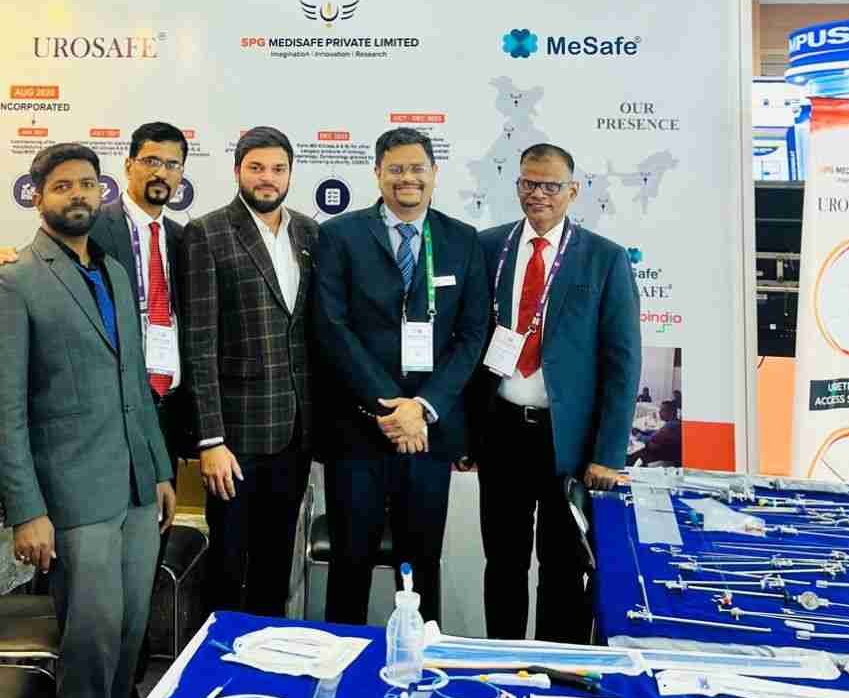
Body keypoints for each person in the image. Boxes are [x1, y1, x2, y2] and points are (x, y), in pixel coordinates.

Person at [0, 143, 175, 698]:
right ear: (38, 196)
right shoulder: (11, 283)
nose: (78, 195)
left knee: (126, 647)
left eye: (88, 183)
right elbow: (4, 412)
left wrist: (158, 468)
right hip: (72, 499)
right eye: (63, 185)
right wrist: (27, 511)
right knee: (89, 657)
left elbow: (134, 383)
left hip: (133, 488)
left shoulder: (115, 271)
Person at [313, 127, 490, 625]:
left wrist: (423, 408)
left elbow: (472, 334)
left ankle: (419, 662)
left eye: (417, 168)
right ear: (377, 173)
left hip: (428, 437)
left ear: (435, 174)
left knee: (421, 569)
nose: (407, 178)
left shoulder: (462, 240)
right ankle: (345, 661)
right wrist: (392, 406)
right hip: (359, 431)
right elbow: (332, 327)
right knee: (350, 564)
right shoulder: (340, 235)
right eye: (395, 169)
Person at [470, 143, 641, 644]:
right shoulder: (488, 247)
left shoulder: (604, 258)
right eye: (529, 183)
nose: (538, 194)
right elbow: (466, 343)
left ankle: (557, 669)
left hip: (568, 441)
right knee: (502, 562)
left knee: (563, 567)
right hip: (501, 432)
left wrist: (608, 454)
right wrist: (464, 435)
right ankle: (502, 662)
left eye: (550, 186)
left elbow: (623, 362)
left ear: (573, 191)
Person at [0, 120, 193, 476]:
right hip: (100, 417)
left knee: (157, 505)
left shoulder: (183, 238)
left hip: (166, 409)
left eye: (172, 164)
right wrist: (6, 263)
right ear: (128, 165)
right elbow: (41, 273)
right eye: (151, 161)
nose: (161, 172)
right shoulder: (88, 225)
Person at [180, 125, 318, 618]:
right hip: (234, 439)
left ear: (290, 174)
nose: (267, 178)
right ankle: (219, 655)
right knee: (228, 565)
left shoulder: (309, 232)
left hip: (295, 433)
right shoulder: (208, 233)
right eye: (256, 168)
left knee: (275, 564)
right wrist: (210, 440)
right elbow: (198, 345)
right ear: (237, 170)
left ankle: (269, 653)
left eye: (278, 169)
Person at [628, 399, 682, 468]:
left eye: (662, 410)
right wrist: (643, 432)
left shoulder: (671, 426)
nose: (659, 412)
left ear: (671, 412)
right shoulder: (676, 423)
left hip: (664, 457)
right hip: (668, 454)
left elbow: (651, 439)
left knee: (632, 456)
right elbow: (657, 433)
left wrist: (638, 434)